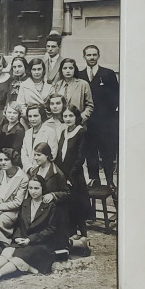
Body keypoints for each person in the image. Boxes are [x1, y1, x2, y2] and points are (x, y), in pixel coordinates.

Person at [0, 175, 62, 282]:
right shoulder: (26, 203)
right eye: (30, 188)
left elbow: (51, 229)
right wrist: (17, 237)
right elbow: (19, 225)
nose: (33, 191)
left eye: (36, 188)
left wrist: (30, 239)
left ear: (42, 188)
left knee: (19, 256)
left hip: (41, 244)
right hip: (24, 241)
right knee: (9, 249)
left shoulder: (50, 206)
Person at [77, 44, 119, 190]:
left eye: (94, 55)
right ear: (84, 57)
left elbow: (116, 96)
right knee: (90, 153)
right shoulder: (80, 75)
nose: (92, 58)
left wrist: (107, 115)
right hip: (88, 123)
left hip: (106, 122)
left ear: (98, 56)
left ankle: (109, 181)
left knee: (107, 152)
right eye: (89, 55)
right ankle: (94, 180)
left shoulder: (108, 73)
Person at [56, 104, 91, 242]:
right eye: (65, 116)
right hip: (63, 175)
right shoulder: (63, 132)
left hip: (75, 176)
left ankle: (83, 237)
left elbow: (80, 157)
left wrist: (71, 176)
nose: (68, 119)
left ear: (76, 117)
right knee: (67, 206)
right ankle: (71, 235)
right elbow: (60, 155)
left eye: (70, 116)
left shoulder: (81, 131)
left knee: (77, 205)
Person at [0, 148, 29, 247]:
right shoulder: (1, 173)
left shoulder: (22, 178)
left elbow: (17, 203)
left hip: (11, 211)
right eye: (1, 160)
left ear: (13, 160)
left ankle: (1, 247)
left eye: (6, 160)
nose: (3, 163)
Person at [21, 104, 59, 171]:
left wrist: (37, 168)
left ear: (41, 116)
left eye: (35, 116)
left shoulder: (50, 132)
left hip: (44, 170)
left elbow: (52, 154)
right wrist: (29, 168)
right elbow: (24, 154)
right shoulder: (27, 133)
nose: (32, 119)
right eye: (30, 116)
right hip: (28, 171)